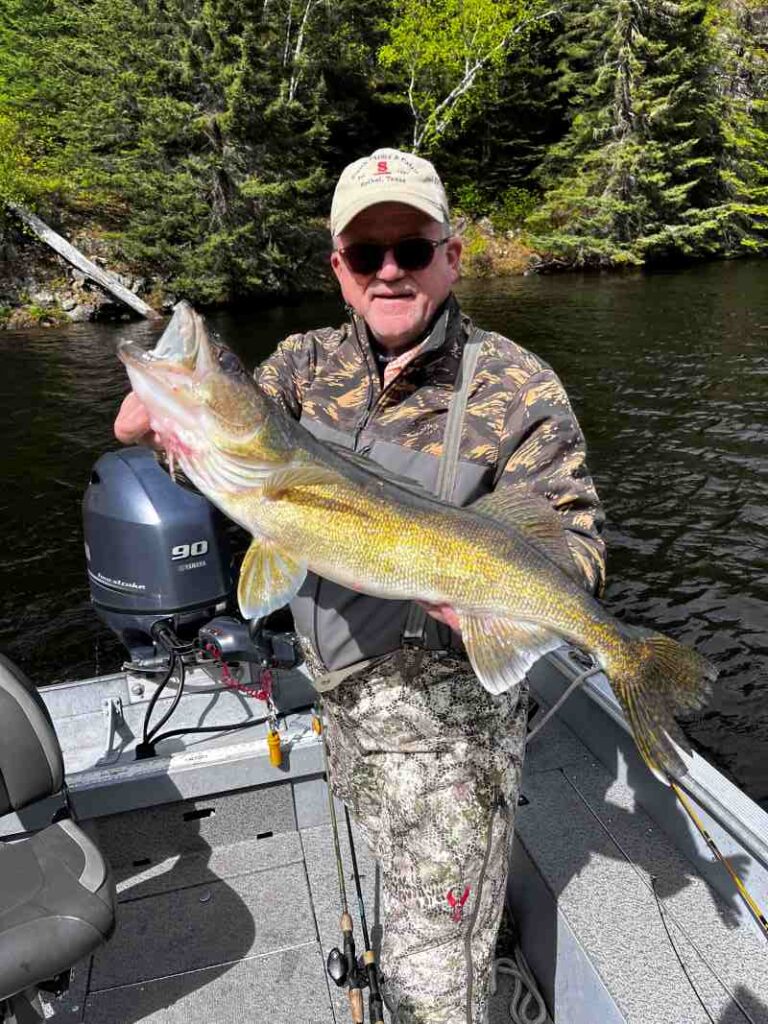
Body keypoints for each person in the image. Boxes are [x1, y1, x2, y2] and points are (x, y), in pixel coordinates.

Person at [115, 148, 605, 1023]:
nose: (389, 271)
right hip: (342, 711)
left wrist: (509, 601)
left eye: (411, 250)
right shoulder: (299, 368)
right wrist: (170, 435)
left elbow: (575, 541)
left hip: (452, 745)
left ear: (451, 257)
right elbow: (237, 463)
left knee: (428, 992)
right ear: (338, 267)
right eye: (366, 253)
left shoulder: (519, 385)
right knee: (411, 901)